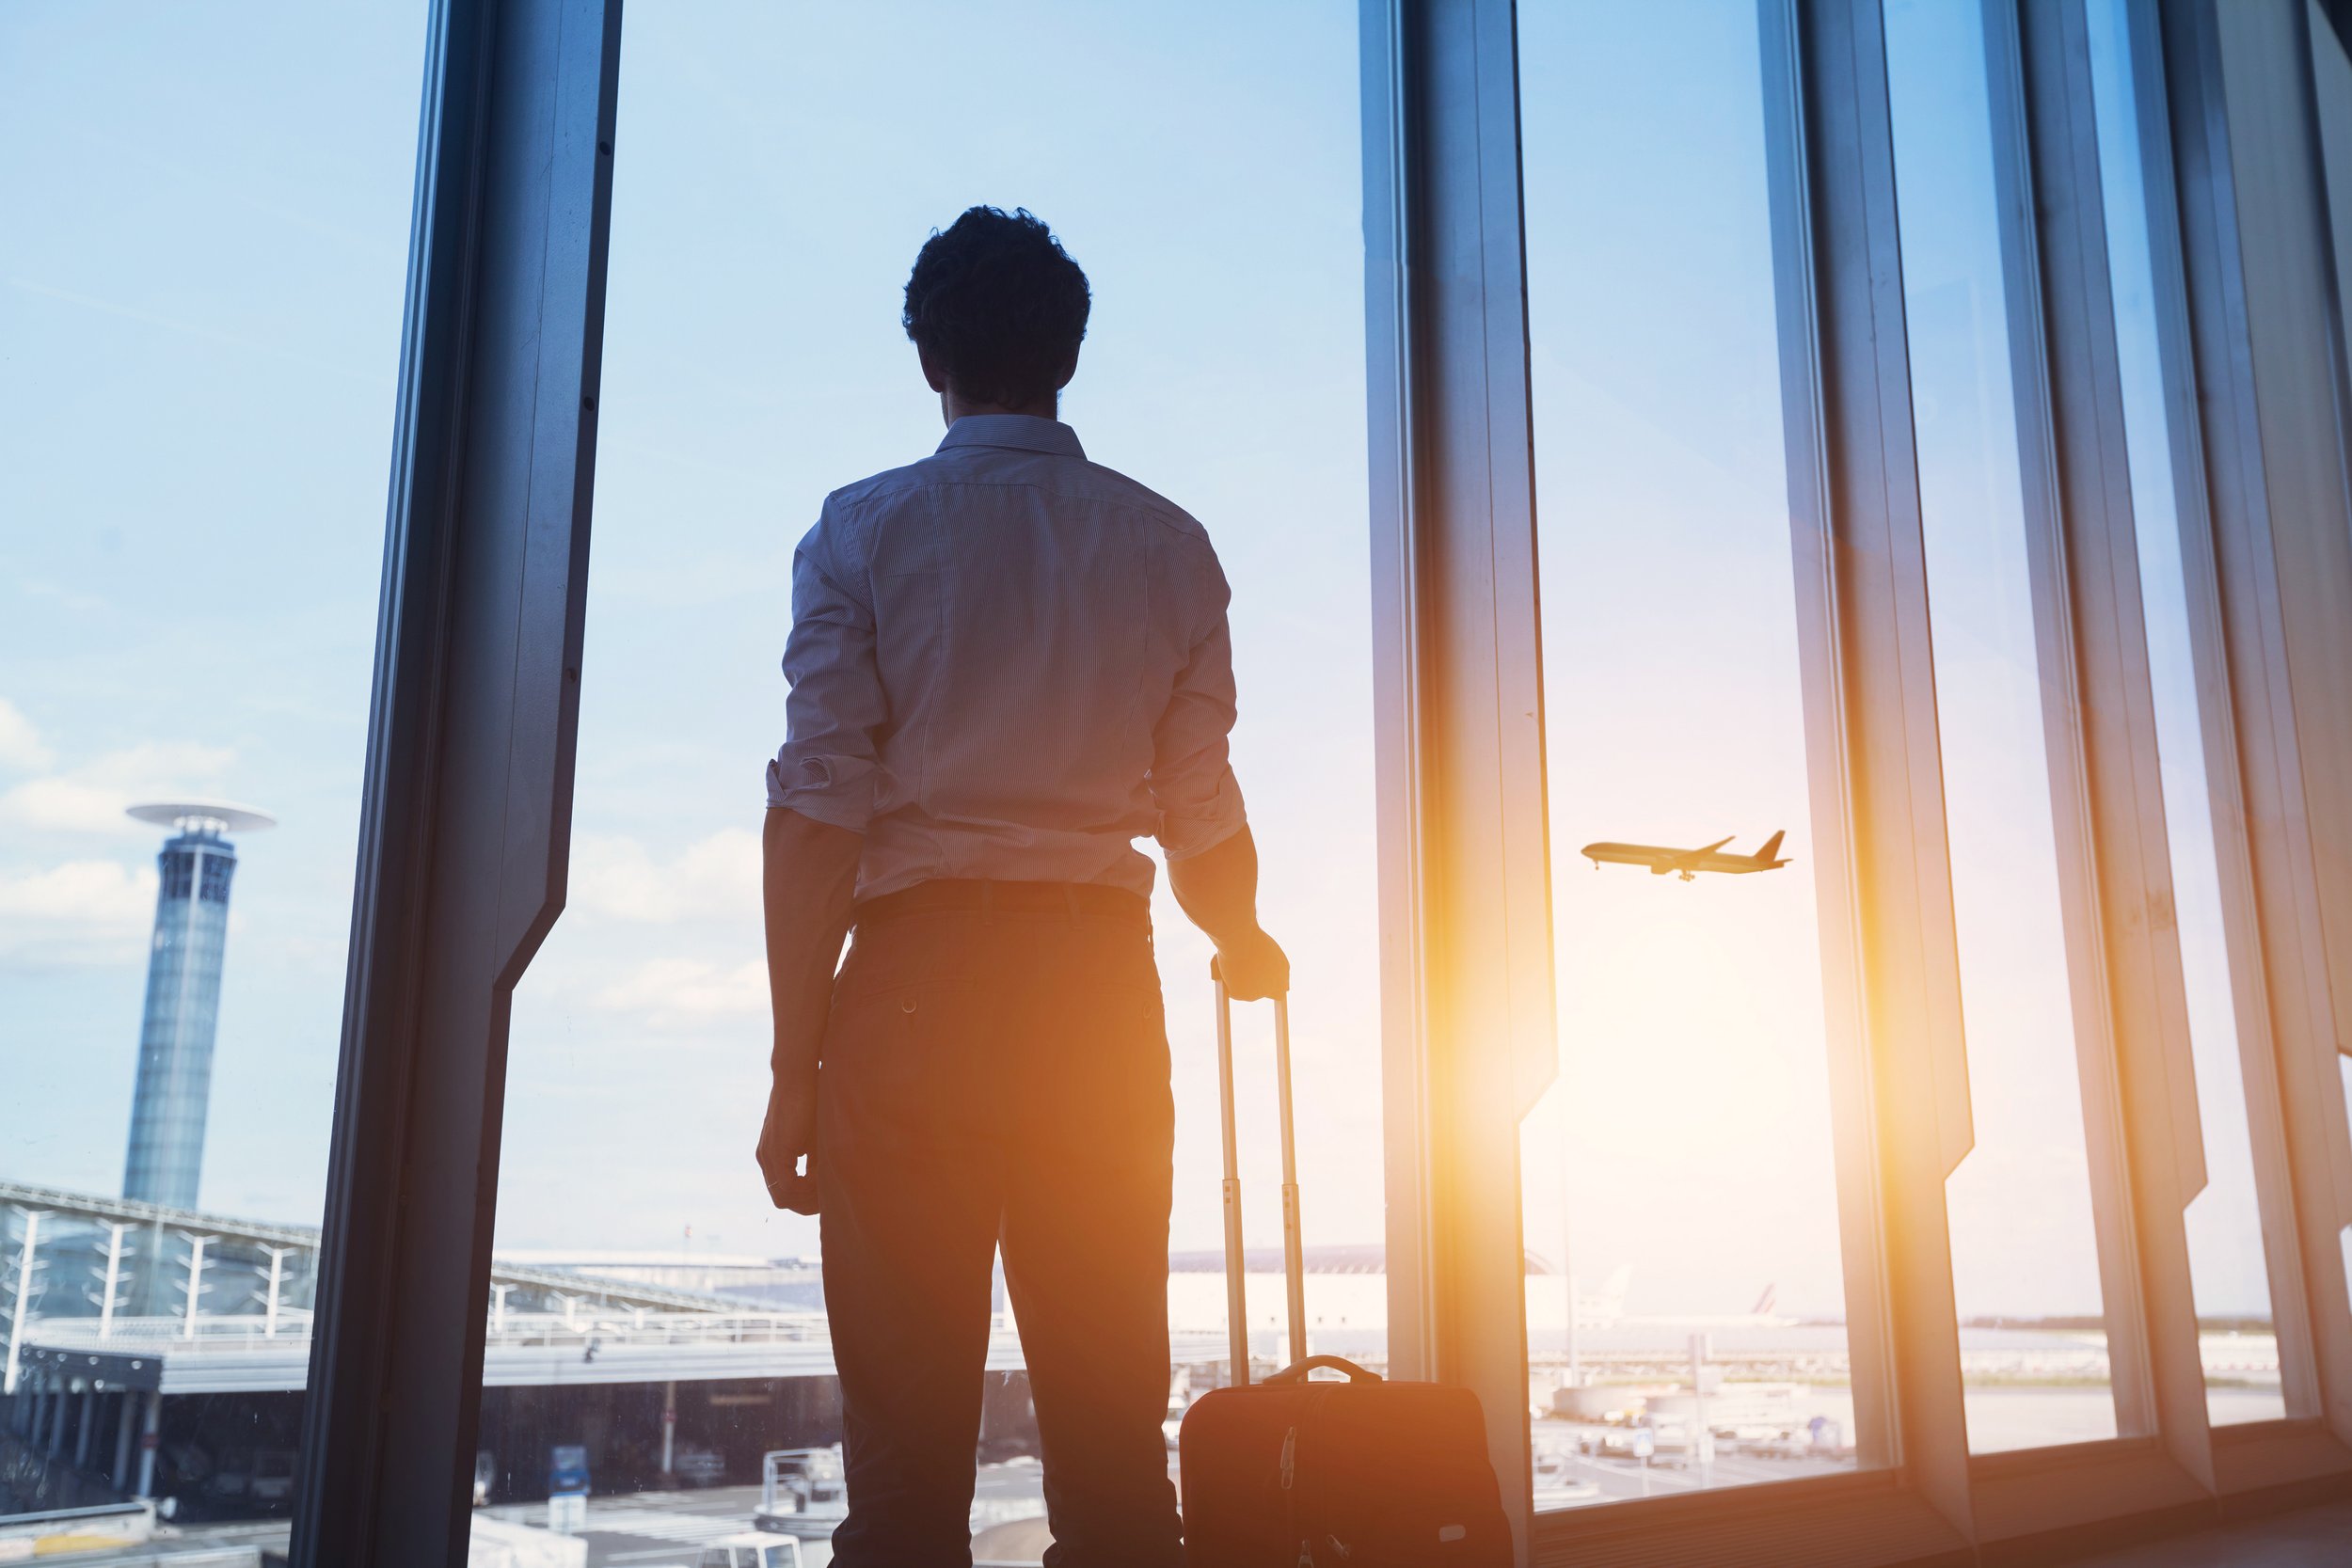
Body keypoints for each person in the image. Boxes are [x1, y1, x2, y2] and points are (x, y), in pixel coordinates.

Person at [755, 205, 1288, 1568]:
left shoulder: (862, 530)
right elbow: (1201, 807)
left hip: (914, 994)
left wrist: (793, 1064)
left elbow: (817, 812)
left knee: (905, 1469)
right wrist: (1241, 939)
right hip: (1093, 993)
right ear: (1070, 354)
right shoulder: (1169, 545)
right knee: (1114, 1446)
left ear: (930, 359)